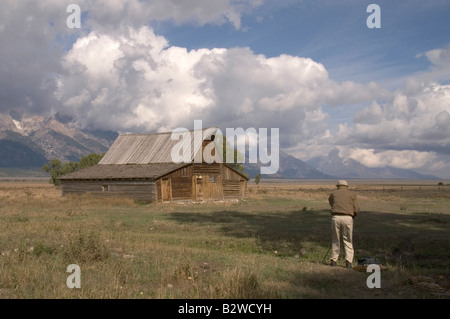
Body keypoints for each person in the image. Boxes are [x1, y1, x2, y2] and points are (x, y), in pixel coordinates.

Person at [328, 180, 360, 268]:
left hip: (336, 217)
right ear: (346, 186)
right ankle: (348, 262)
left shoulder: (333, 194)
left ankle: (333, 260)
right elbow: (357, 208)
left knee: (335, 239)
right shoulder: (352, 194)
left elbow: (331, 203)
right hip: (348, 218)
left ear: (338, 186)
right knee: (348, 240)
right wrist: (353, 215)